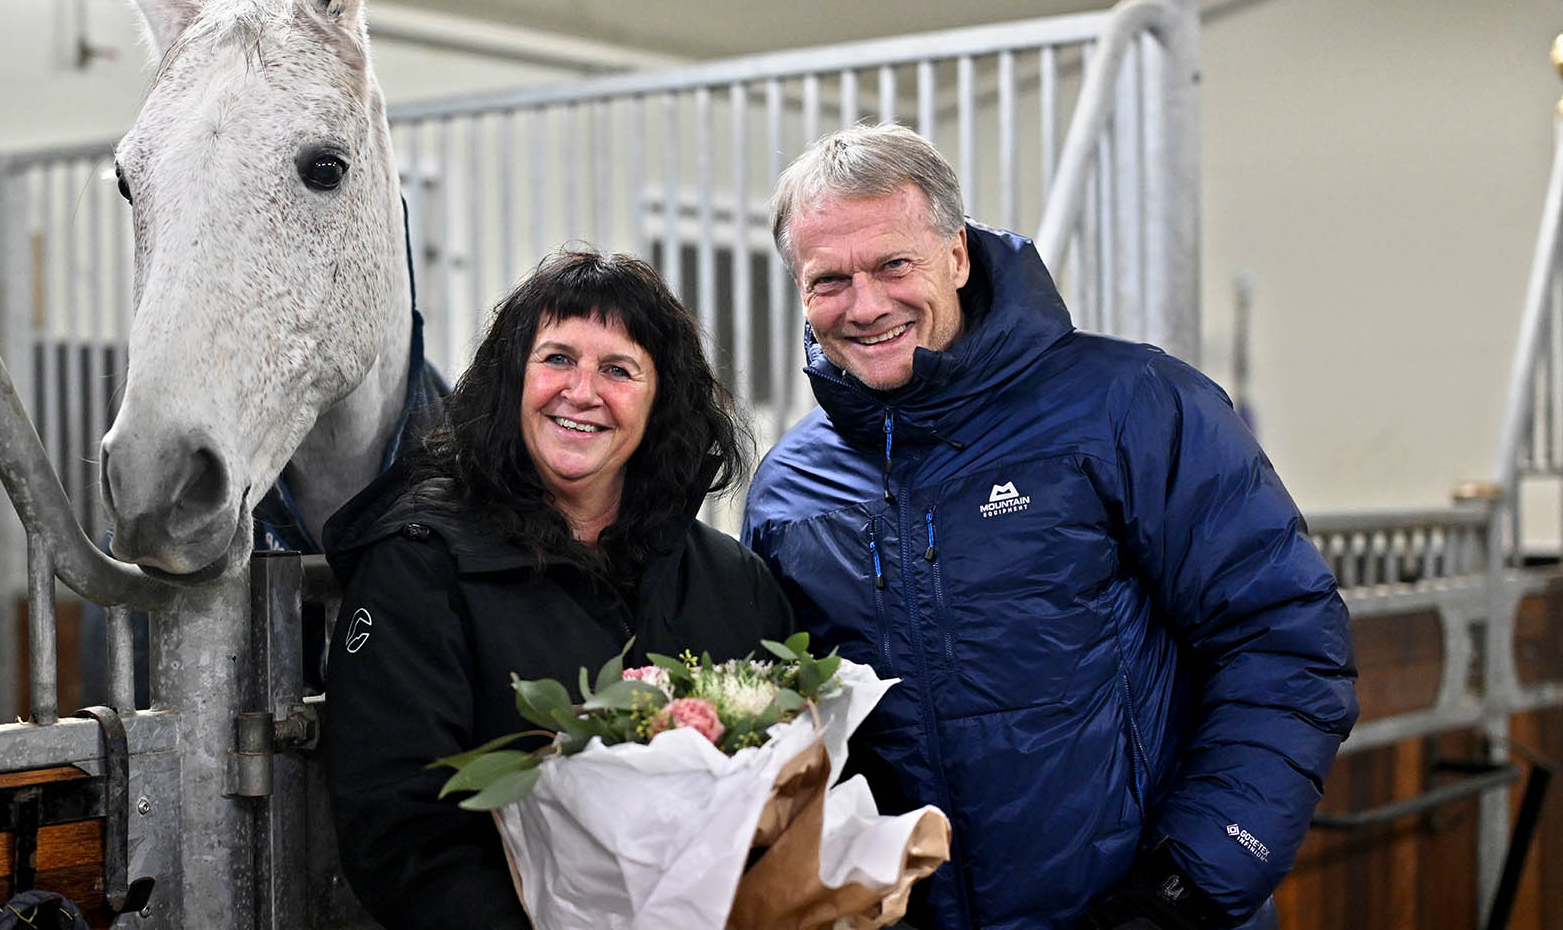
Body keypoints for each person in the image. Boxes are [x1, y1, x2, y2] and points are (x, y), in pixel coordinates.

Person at [742, 124, 1357, 930]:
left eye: (895, 264)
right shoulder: (788, 491)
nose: (866, 305)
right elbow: (798, 728)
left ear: (956, 256)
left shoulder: (1130, 404)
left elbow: (1285, 638)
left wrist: (1190, 884)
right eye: (829, 280)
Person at [322, 250, 797, 930]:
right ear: (512, 379)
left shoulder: (731, 581)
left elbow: (791, 791)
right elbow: (401, 835)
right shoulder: (421, 565)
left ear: (661, 398)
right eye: (556, 359)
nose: (582, 391)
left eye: (618, 369)